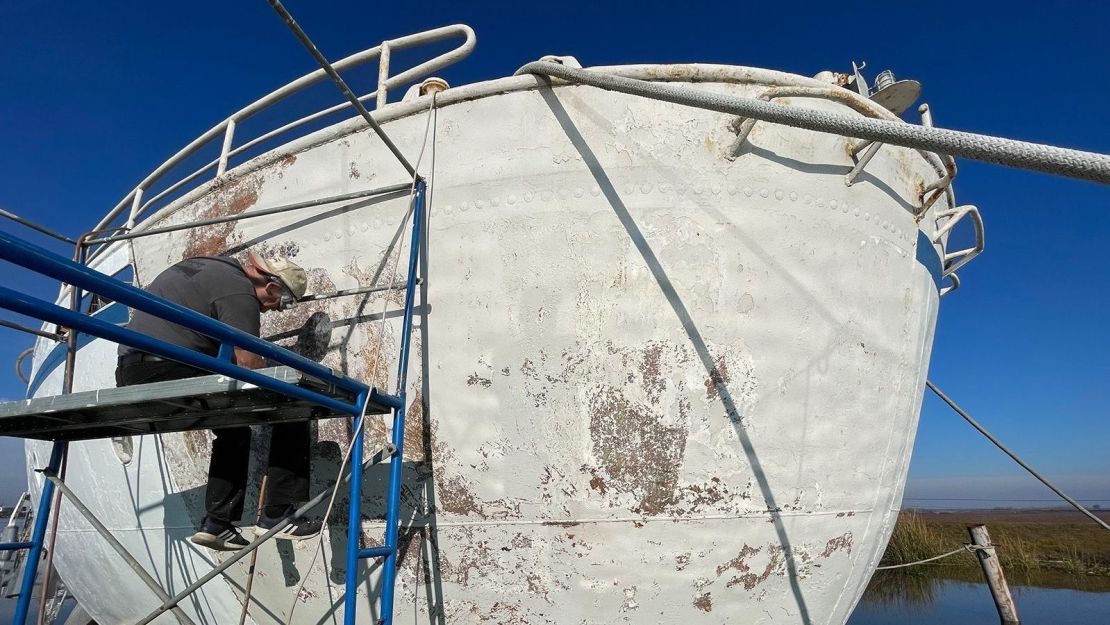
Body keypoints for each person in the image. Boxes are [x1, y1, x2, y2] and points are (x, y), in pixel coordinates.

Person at [115, 252, 321, 550]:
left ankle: (217, 524)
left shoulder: (207, 268)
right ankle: (277, 514)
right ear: (274, 287)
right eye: (285, 302)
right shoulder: (238, 290)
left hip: (132, 372)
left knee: (233, 428)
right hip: (168, 369)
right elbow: (249, 364)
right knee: (295, 405)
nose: (277, 310)